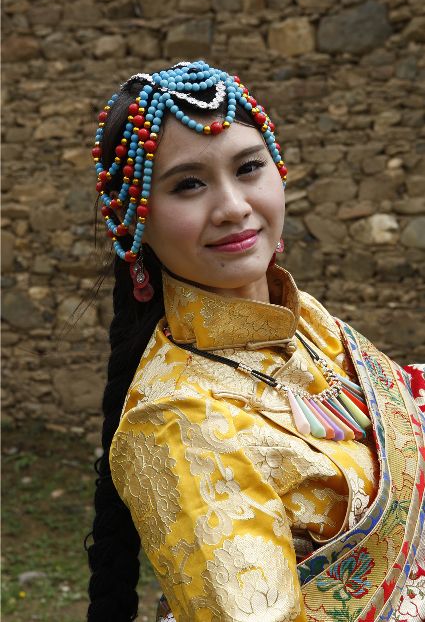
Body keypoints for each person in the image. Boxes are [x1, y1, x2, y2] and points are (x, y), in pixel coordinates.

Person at [85, 60, 425, 622]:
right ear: (131, 218)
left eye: (248, 168)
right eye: (188, 184)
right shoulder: (178, 420)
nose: (234, 207)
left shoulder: (303, 319)